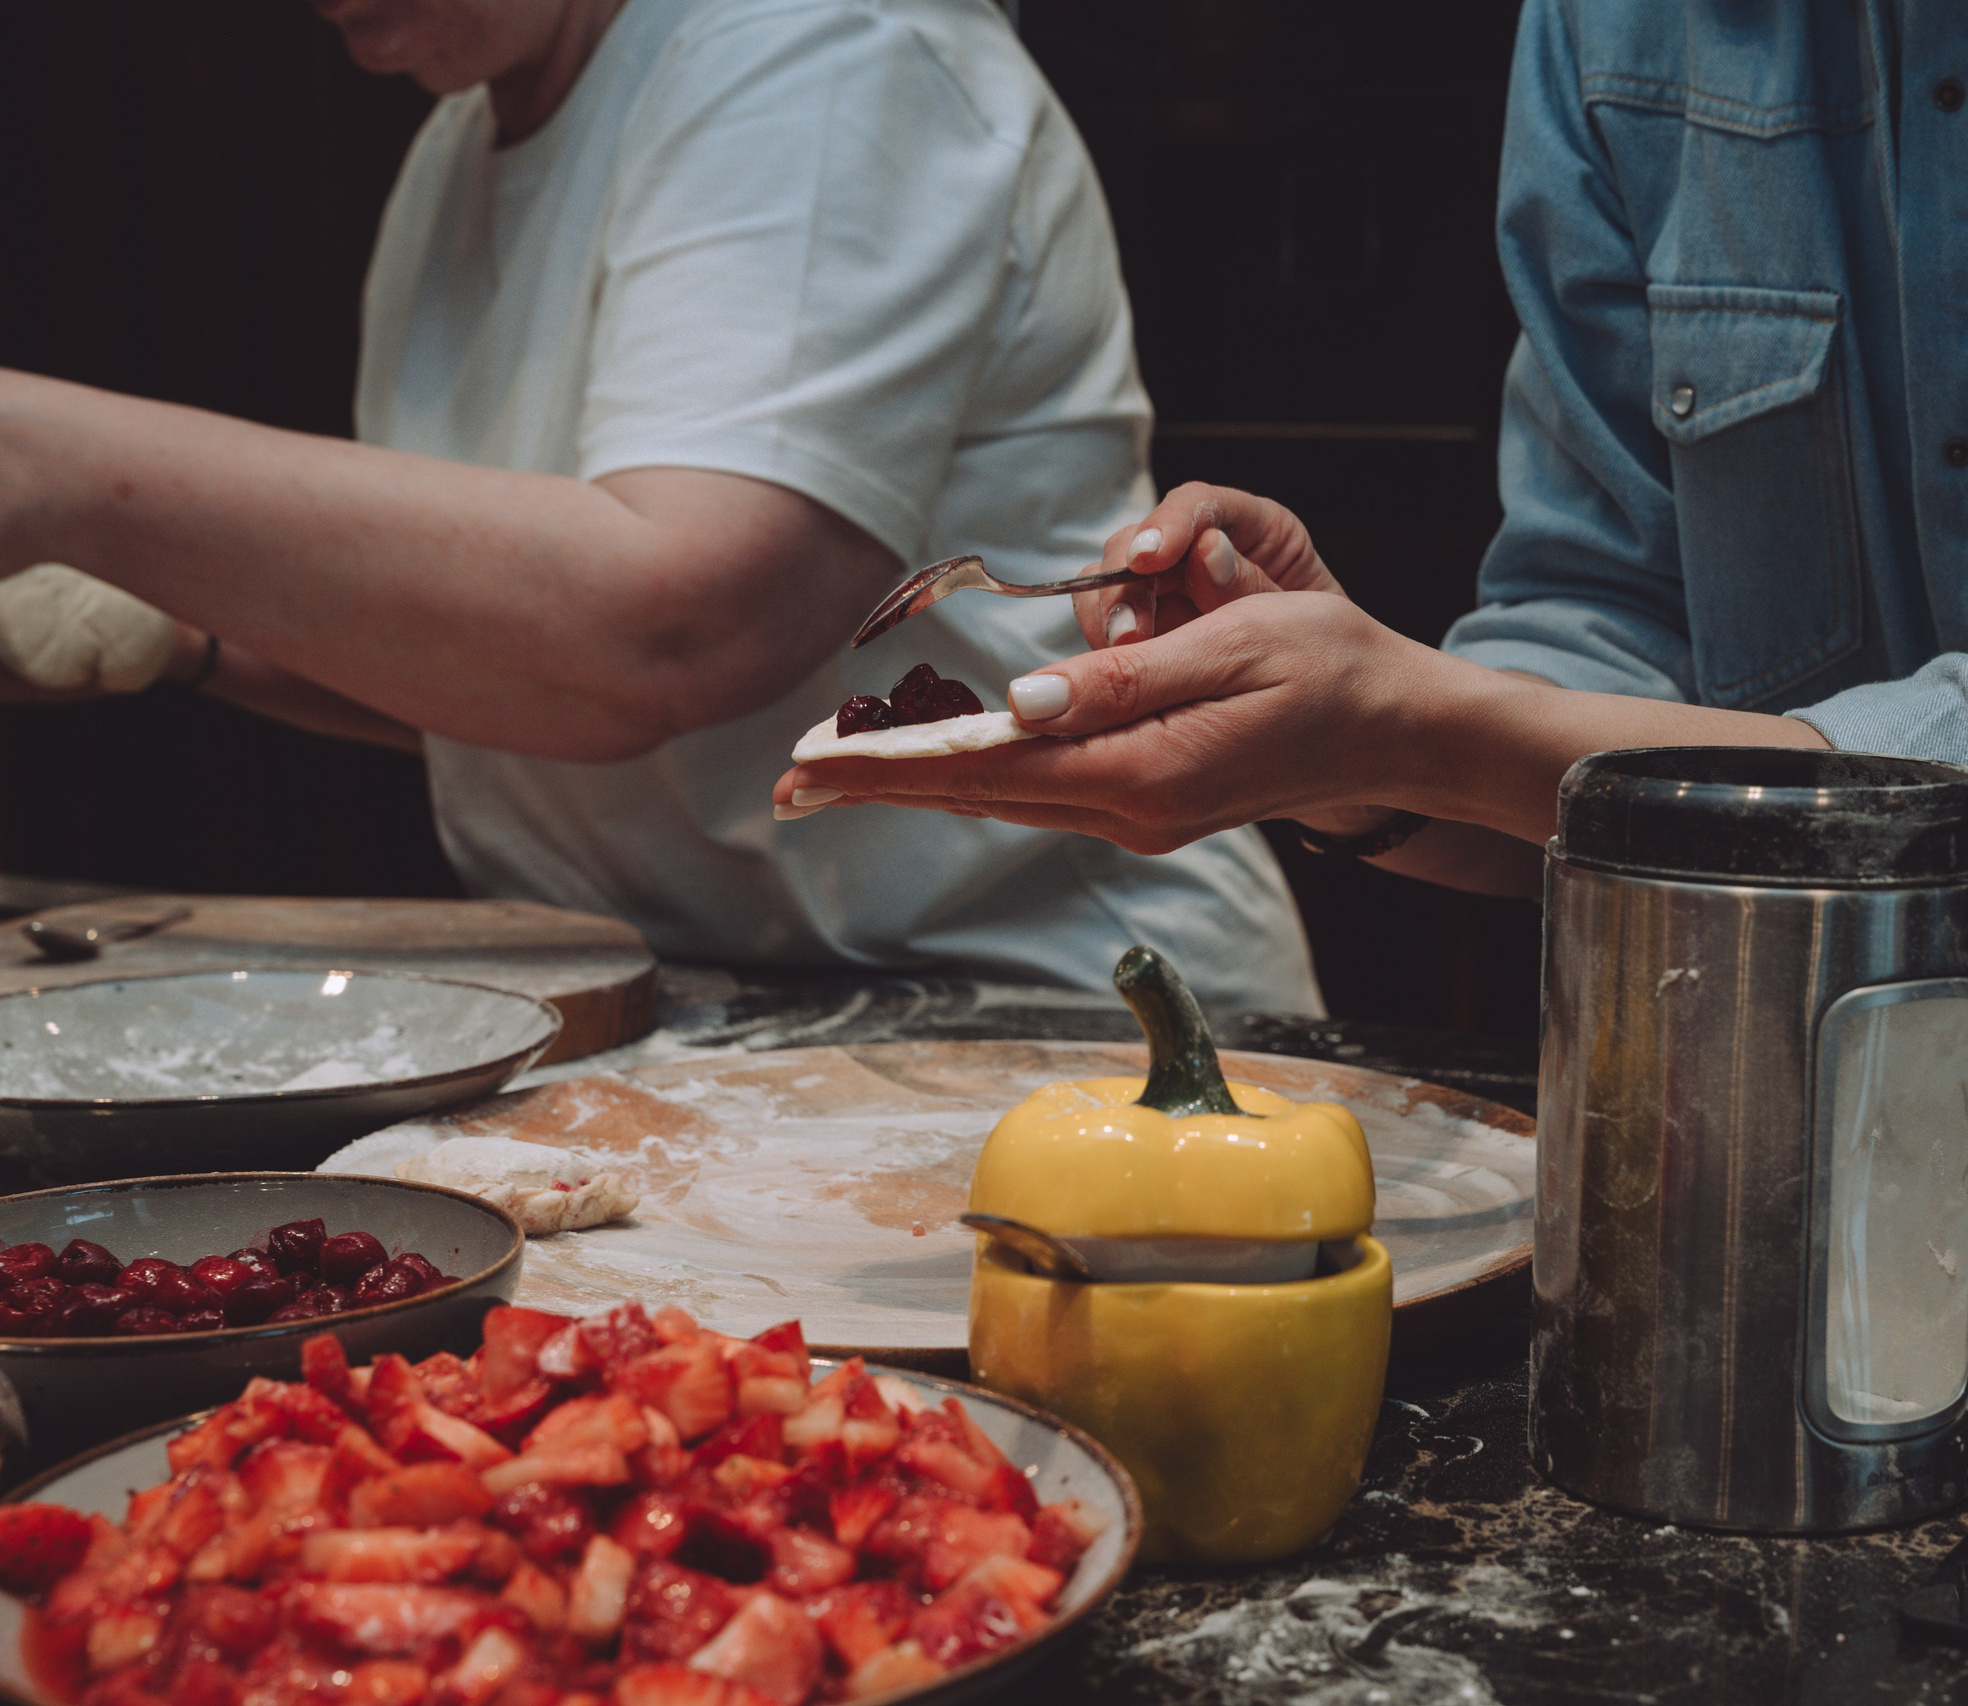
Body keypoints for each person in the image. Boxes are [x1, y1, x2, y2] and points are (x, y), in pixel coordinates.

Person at [778, 0, 1968, 1139]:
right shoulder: (1619, 31)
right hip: (1778, 1145)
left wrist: (1433, 726)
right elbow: (1603, 623)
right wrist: (1362, 749)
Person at [0, 0, 1318, 1016]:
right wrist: (182, 631)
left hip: (1042, 1007)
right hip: (694, 1002)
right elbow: (523, 666)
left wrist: (45, 459)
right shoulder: (458, 147)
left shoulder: (821, 45)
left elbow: (679, 631)